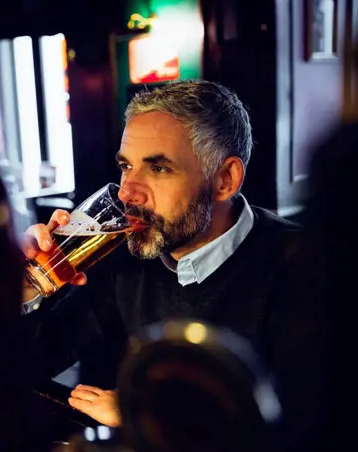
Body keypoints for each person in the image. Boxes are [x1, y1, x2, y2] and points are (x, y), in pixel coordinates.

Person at [20, 80, 317, 443]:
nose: (128, 192)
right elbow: (25, 364)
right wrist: (24, 290)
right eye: (126, 166)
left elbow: (311, 433)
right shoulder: (123, 256)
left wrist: (148, 414)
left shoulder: (305, 270)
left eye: (158, 168)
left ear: (225, 180)